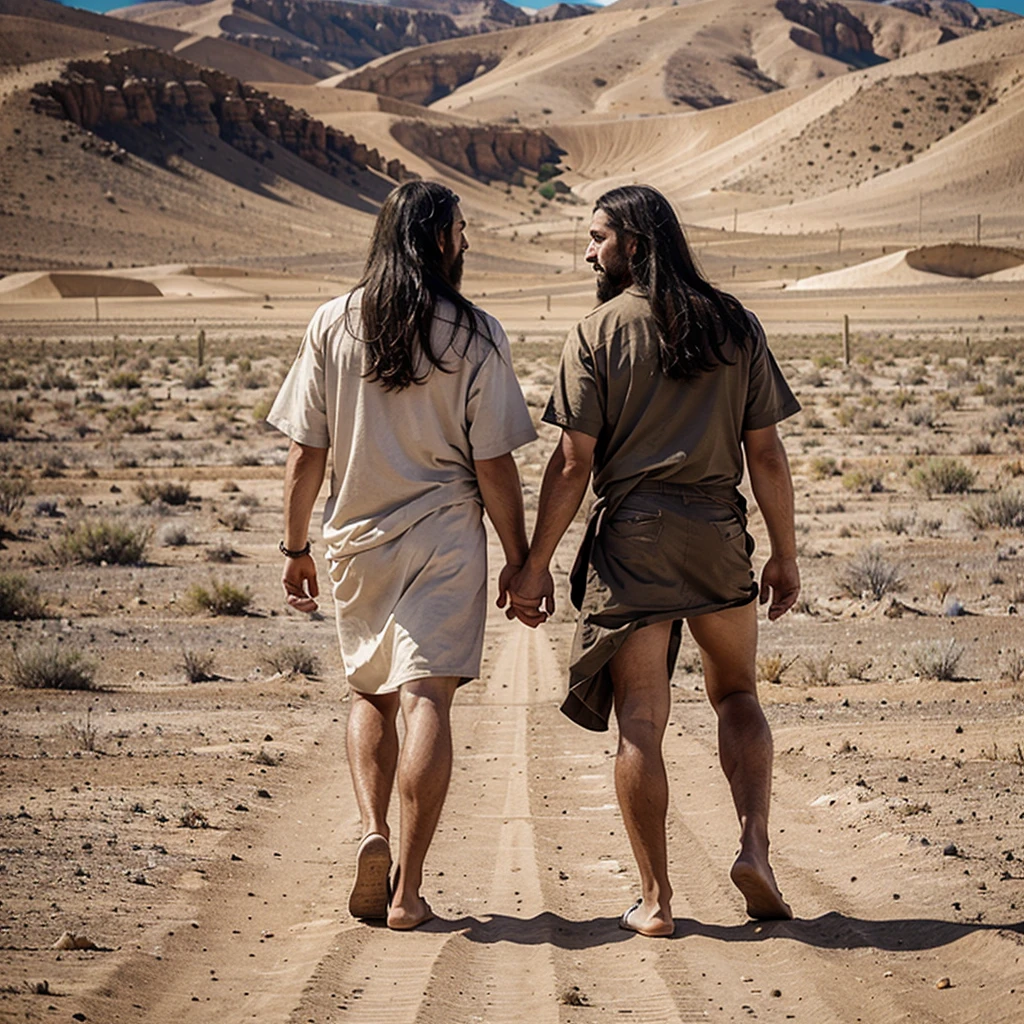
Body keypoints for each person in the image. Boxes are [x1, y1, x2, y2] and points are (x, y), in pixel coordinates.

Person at [508, 185, 801, 936]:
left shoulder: (598, 331)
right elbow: (764, 452)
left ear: (634, 244)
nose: (588, 250)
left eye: (599, 237)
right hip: (717, 529)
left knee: (641, 717)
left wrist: (534, 565)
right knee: (736, 693)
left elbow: (573, 463)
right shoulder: (735, 323)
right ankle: (756, 849)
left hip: (634, 536)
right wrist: (784, 554)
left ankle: (658, 901)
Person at [268, 181, 537, 930]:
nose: (467, 241)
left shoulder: (331, 322)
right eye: (460, 229)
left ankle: (373, 829)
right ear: (438, 240)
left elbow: (303, 453)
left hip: (355, 541)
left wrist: (295, 548)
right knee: (428, 699)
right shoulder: (476, 333)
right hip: (446, 536)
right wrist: (521, 558)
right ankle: (410, 890)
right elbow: (495, 464)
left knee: (370, 696)